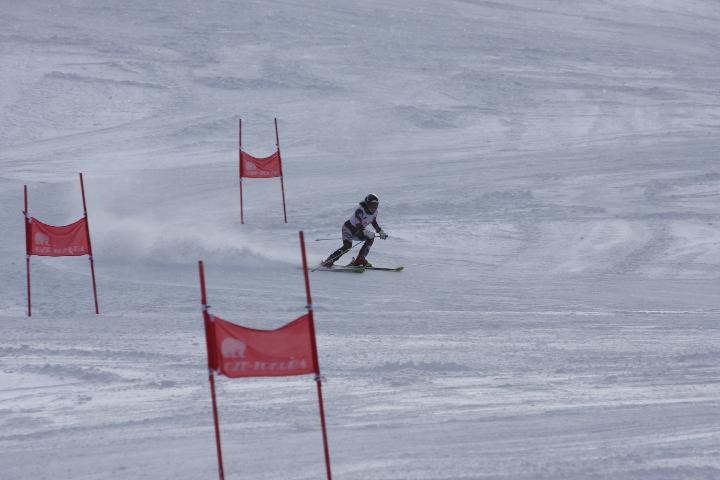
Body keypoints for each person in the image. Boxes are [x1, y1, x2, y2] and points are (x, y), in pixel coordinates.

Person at [322, 193, 388, 267]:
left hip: (359, 231)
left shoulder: (375, 213)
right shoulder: (360, 211)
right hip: (348, 229)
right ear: (367, 204)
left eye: (376, 206)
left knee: (371, 238)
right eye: (372, 206)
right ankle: (329, 260)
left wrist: (380, 232)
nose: (374, 208)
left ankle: (360, 259)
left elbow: (373, 222)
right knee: (347, 246)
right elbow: (358, 224)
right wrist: (366, 232)